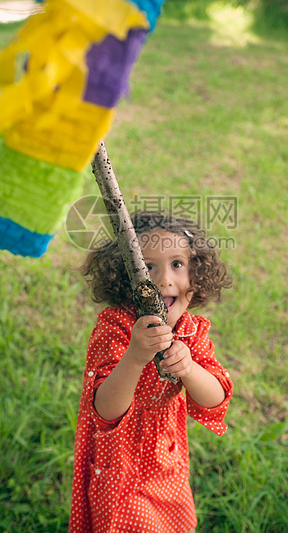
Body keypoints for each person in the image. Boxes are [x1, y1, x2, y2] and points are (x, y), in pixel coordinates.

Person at [68, 211, 234, 533]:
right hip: (118, 461)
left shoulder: (191, 332)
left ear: (195, 274)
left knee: (173, 524)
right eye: (148, 267)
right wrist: (134, 357)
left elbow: (216, 400)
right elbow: (104, 410)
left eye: (176, 264)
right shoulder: (116, 327)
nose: (163, 281)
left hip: (166, 460)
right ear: (123, 275)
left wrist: (189, 368)